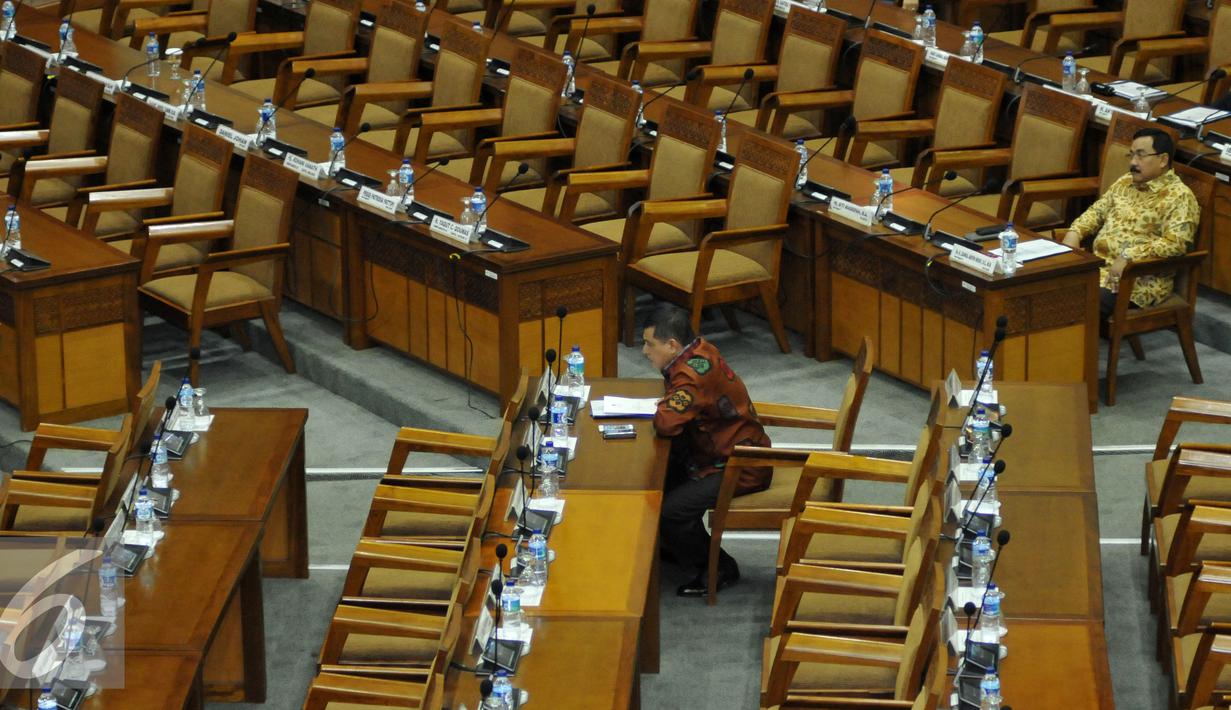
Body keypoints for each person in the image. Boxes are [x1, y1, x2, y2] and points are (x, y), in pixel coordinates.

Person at [640, 303, 771, 597]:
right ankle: (674, 545)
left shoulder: (691, 375)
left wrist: (665, 406)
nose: (645, 351)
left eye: (650, 344)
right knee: (660, 474)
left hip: (741, 465)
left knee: (671, 511)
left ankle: (720, 567)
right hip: (721, 451)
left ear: (672, 345)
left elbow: (666, 422)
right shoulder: (700, 349)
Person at [1062, 127, 1199, 318]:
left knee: (1072, 302)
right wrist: (1074, 232)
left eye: (1141, 156)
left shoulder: (1180, 197)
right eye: (1132, 155)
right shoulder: (1126, 182)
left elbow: (1176, 244)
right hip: (1098, 268)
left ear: (1163, 160)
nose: (1133, 162)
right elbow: (1098, 211)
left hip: (1136, 282)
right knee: (1044, 286)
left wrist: (1129, 256)